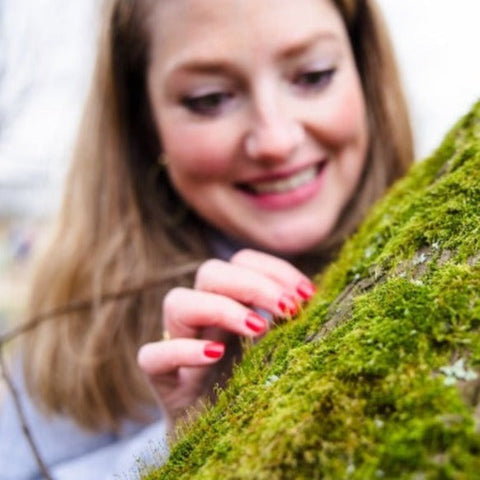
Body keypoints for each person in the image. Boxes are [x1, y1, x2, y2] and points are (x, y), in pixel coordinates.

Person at [0, 0, 413, 478]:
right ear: (145, 127)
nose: (275, 140)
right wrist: (189, 443)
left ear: (365, 70)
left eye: (313, 76)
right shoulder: (71, 346)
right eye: (210, 99)